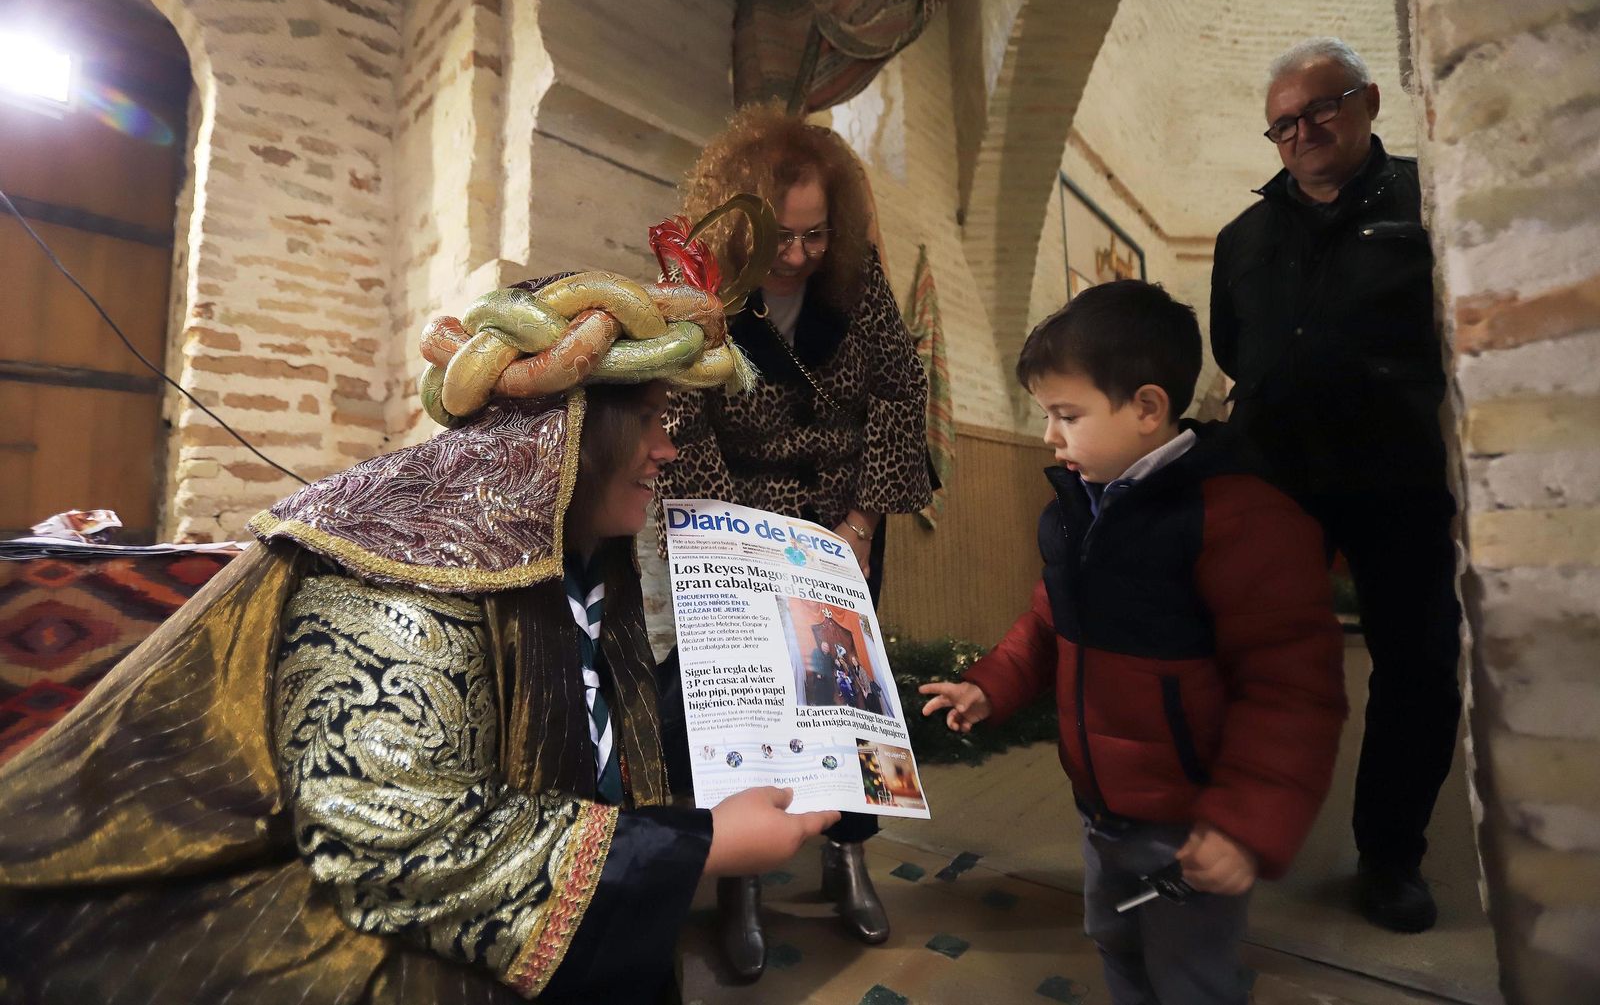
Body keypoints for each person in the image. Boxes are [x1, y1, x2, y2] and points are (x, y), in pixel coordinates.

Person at [0, 209, 839, 1005]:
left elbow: (590, 736)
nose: (669, 447)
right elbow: (392, 840)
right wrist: (703, 849)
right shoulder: (407, 558)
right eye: (653, 419)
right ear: (570, 428)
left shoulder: (574, 552)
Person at [921, 281, 1346, 1005]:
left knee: (1190, 978)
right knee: (1116, 943)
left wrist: (1244, 825)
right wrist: (990, 682)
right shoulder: (1079, 510)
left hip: (1188, 822)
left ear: (1148, 408)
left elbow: (1292, 689)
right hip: (1102, 812)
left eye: (1067, 415)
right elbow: (1048, 623)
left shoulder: (1237, 521)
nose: (1051, 437)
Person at [656, 103, 933, 978]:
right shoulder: (698, 293)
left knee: (843, 691)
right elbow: (680, 416)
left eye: (816, 235)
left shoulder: (856, 279)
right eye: (784, 237)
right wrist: (733, 537)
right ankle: (744, 877)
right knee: (746, 703)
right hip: (738, 524)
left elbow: (897, 389)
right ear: (740, 222)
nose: (802, 255)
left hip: (842, 524)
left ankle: (847, 846)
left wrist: (860, 522)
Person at [1209, 37, 1463, 932]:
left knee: (1417, 666)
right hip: (1277, 477)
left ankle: (1391, 854)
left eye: (1320, 108)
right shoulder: (1243, 235)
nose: (1302, 130)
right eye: (1283, 122)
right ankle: (1233, 829)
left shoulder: (1433, 200)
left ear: (1369, 104)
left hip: (1400, 475)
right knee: (1246, 657)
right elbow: (1232, 347)